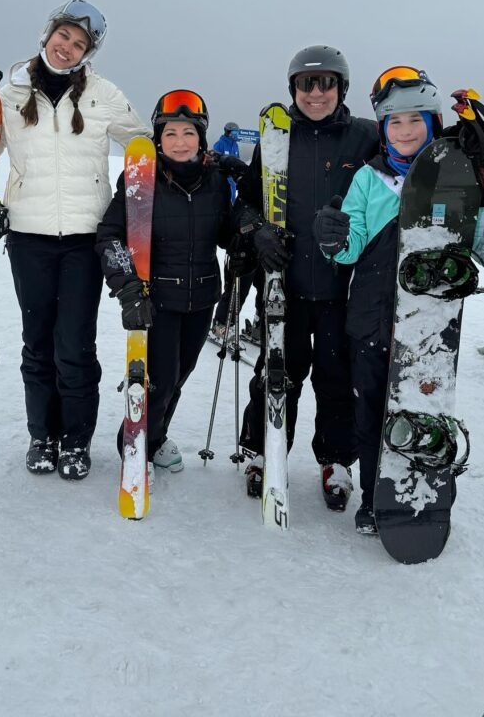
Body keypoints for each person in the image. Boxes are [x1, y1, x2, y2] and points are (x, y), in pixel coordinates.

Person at [312, 66, 484, 535]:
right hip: (372, 321)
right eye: (395, 123)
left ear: (433, 123)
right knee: (373, 411)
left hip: (430, 323)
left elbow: (478, 229)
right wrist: (332, 236)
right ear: (382, 130)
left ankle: (428, 490)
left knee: (424, 408)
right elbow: (351, 244)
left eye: (415, 120)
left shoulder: (454, 178)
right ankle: (377, 497)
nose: (405, 131)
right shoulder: (369, 180)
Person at [0, 0, 148, 481]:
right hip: (29, 238)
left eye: (79, 44)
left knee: (75, 346)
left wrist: (183, 157)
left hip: (85, 241)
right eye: (63, 37)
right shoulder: (9, 91)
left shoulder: (102, 94)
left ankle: (75, 441)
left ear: (88, 52)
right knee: (37, 343)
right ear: (47, 35)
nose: (67, 48)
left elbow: (143, 142)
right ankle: (42, 435)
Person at [234, 46, 380, 510]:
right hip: (284, 283)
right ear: (293, 89)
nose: (316, 93)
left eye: (327, 83)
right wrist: (255, 231)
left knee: (337, 377)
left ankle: (337, 460)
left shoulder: (366, 137)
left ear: (342, 88)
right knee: (276, 371)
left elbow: (404, 166)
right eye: (306, 84)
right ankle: (261, 450)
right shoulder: (275, 135)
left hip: (344, 287)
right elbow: (248, 201)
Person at [95, 89, 237, 485]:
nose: (179, 141)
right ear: (158, 137)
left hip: (202, 296)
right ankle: (134, 444)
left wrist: (247, 226)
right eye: (170, 133)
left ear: (201, 138)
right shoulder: (141, 177)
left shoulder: (215, 180)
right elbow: (110, 236)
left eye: (188, 133)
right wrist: (127, 288)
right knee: (156, 379)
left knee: (180, 375)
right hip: (155, 298)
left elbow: (225, 234)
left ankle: (154, 438)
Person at [209, 121, 256, 340]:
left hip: (236, 196)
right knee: (238, 285)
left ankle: (260, 324)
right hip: (230, 200)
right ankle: (221, 324)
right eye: (234, 132)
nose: (236, 135)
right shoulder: (222, 144)